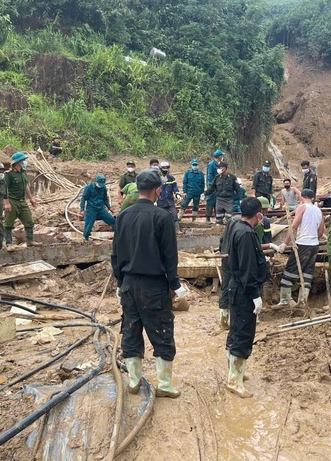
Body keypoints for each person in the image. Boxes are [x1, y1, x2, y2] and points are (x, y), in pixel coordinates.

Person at [111, 169, 188, 397]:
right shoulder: (162, 217)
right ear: (158, 190)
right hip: (153, 286)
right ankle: (164, 385)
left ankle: (134, 382)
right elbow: (169, 256)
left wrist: (120, 281)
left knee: (131, 331)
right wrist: (176, 285)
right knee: (162, 332)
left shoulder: (123, 216)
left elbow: (115, 253)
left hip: (128, 285)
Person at [224, 197, 268, 398]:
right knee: (243, 333)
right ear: (258, 214)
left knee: (235, 330)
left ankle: (236, 371)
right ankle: (234, 381)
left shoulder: (237, 227)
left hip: (237, 287)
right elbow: (248, 269)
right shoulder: (246, 235)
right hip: (243, 290)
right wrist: (255, 295)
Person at [276, 189, 324, 306]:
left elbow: (294, 226)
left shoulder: (302, 208)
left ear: (301, 197)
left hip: (303, 244)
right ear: (312, 198)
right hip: (314, 245)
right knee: (307, 272)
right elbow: (321, 232)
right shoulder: (319, 211)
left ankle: (284, 300)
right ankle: (302, 302)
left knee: (290, 271)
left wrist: (284, 244)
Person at [3, 152, 40, 249]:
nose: (24, 162)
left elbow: (26, 186)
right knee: (8, 224)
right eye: (23, 160)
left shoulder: (23, 172)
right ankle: (8, 243)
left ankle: (30, 240)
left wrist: (31, 198)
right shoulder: (9, 174)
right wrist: (6, 203)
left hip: (22, 201)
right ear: (18, 162)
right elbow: (4, 188)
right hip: (12, 200)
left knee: (29, 221)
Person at [80, 174, 116, 241]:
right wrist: (82, 209)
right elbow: (83, 198)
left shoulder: (103, 188)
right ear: (96, 182)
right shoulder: (89, 187)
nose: (101, 185)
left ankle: (117, 237)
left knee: (113, 222)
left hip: (101, 209)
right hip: (91, 209)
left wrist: (109, 208)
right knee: (88, 225)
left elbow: (105, 199)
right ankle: (86, 239)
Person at [205, 150, 225, 223]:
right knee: (210, 201)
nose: (222, 156)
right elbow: (210, 176)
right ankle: (208, 218)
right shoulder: (211, 164)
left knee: (218, 202)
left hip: (219, 186)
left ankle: (218, 218)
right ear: (219, 156)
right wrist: (211, 186)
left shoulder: (221, 164)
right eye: (222, 155)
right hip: (212, 186)